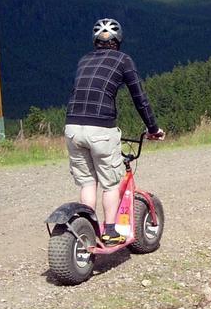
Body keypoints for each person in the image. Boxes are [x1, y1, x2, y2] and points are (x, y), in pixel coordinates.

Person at [64, 18, 165, 244]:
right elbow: (139, 98)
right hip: (100, 128)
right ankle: (110, 231)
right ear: (118, 40)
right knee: (110, 183)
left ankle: (86, 232)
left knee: (88, 183)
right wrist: (153, 128)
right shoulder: (123, 60)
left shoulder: (84, 60)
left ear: (95, 41)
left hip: (72, 127)